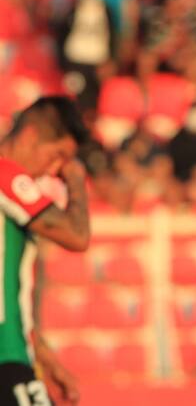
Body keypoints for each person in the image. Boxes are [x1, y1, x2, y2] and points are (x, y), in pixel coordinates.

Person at [0, 96, 91, 405]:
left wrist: (45, 359)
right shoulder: (5, 174)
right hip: (5, 358)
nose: (55, 171)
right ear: (29, 137)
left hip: (16, 354)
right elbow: (76, 236)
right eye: (57, 156)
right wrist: (76, 179)